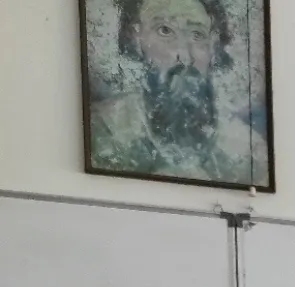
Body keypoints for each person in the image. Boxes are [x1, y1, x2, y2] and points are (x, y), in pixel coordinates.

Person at [87, 0, 270, 187]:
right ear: (136, 39)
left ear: (213, 46)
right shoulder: (104, 131)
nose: (185, 58)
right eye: (165, 31)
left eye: (197, 35)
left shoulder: (246, 152)